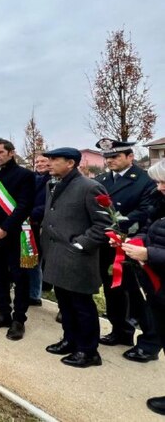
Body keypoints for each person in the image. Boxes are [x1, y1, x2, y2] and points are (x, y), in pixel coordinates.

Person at [41, 148, 110, 368]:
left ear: (70, 163)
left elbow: (104, 224)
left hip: (77, 258)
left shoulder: (90, 187)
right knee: (65, 302)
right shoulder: (53, 184)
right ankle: (70, 340)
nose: (49, 163)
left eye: (54, 160)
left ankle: (89, 351)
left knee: (82, 305)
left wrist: (81, 244)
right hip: (56, 255)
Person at [94, 138, 160, 362]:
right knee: (112, 290)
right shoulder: (102, 179)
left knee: (138, 295)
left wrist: (118, 227)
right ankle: (120, 331)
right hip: (107, 244)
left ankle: (148, 343)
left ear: (130, 157)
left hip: (133, 246)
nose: (109, 161)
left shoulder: (145, 180)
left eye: (115, 157)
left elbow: (146, 211)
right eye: (107, 157)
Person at [120, 160, 165, 414]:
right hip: (158, 284)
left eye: (162, 183)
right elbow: (151, 228)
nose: (158, 188)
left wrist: (148, 253)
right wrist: (136, 241)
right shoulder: (161, 204)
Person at [0, 138, 35, 341]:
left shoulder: (25, 175)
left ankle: (19, 319)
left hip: (15, 235)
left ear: (11, 153)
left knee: (19, 278)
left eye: (0, 152)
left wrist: (5, 229)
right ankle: (3, 313)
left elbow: (24, 206)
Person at [29, 153, 52, 305]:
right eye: (37, 161)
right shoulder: (30, 178)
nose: (39, 163)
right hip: (28, 226)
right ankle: (32, 293)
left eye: (43, 161)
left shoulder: (54, 180)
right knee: (30, 260)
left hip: (44, 226)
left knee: (40, 262)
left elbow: (51, 204)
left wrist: (30, 213)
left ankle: (36, 294)